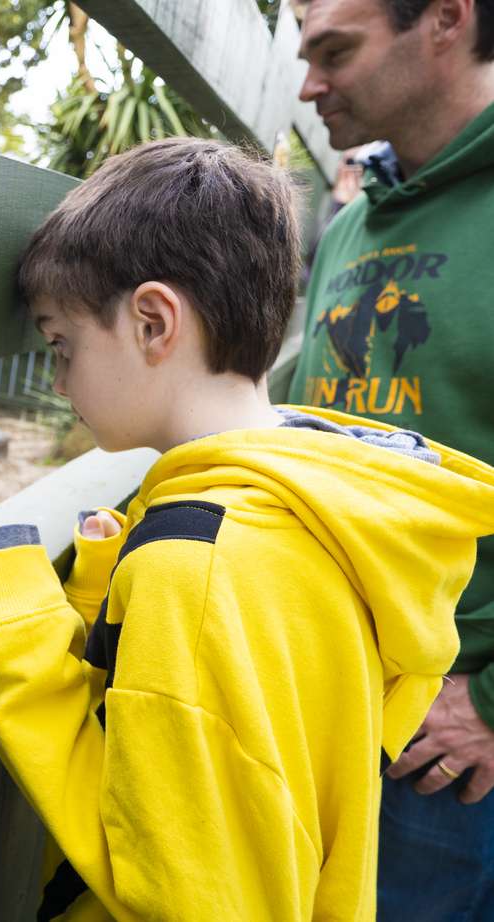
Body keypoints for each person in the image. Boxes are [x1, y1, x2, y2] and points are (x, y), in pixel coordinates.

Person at [0, 137, 494, 920]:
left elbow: (184, 892)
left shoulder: (197, 574)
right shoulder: (317, 504)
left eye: (61, 345)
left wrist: (19, 651)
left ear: (151, 321)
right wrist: (112, 582)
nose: (60, 381)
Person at [293, 0, 494, 914]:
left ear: (446, 19)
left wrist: (492, 702)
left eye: (337, 50)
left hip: (448, 753)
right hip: (322, 704)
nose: (309, 84)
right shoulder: (349, 225)